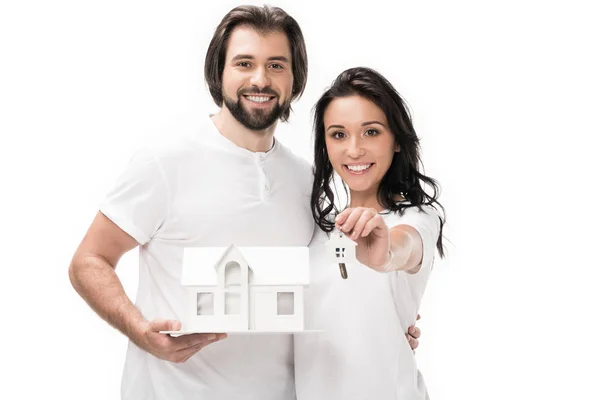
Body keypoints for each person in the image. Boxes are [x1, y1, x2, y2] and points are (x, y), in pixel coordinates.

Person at [68, 5, 421, 400]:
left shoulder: (307, 181)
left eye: (275, 65)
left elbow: (321, 284)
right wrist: (140, 330)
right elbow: (89, 261)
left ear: (294, 80)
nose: (260, 79)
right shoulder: (164, 163)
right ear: (219, 73)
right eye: (244, 63)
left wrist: (388, 324)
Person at [294, 67, 445, 400]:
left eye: (371, 132)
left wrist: (385, 251)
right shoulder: (312, 226)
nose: (354, 150)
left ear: (396, 141)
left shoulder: (417, 217)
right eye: (338, 134)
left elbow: (405, 246)